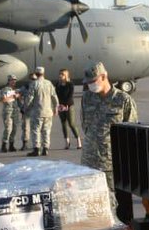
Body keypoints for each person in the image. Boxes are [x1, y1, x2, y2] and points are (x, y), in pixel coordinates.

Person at [81, 61, 138, 199]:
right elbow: (85, 125)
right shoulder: (87, 98)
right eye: (88, 82)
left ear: (104, 76)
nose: (91, 85)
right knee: (92, 204)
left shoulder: (122, 99)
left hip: (112, 166)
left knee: (115, 204)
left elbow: (131, 132)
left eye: (93, 81)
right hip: (88, 163)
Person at [24, 66, 58, 156]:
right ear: (43, 73)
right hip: (48, 112)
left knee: (36, 130)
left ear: (35, 74)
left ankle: (36, 149)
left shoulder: (34, 84)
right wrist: (56, 107)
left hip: (37, 112)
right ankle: (45, 149)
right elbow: (54, 96)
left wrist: (25, 108)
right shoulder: (49, 83)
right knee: (46, 130)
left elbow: (29, 98)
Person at [54, 68, 81, 150]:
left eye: (62, 74)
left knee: (71, 123)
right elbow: (56, 95)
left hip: (69, 106)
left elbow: (70, 95)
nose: (60, 75)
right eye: (60, 74)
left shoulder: (70, 84)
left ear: (66, 75)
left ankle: (78, 141)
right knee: (63, 123)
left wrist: (66, 105)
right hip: (61, 106)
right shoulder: (57, 84)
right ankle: (67, 142)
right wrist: (58, 105)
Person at [0, 74, 21, 152]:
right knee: (8, 129)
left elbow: (19, 101)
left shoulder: (15, 90)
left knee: (14, 129)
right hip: (7, 112)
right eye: (12, 80)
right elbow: (3, 100)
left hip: (15, 112)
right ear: (8, 81)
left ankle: (11, 145)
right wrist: (14, 97)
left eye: (15, 80)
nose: (13, 82)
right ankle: (4, 144)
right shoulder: (5, 90)